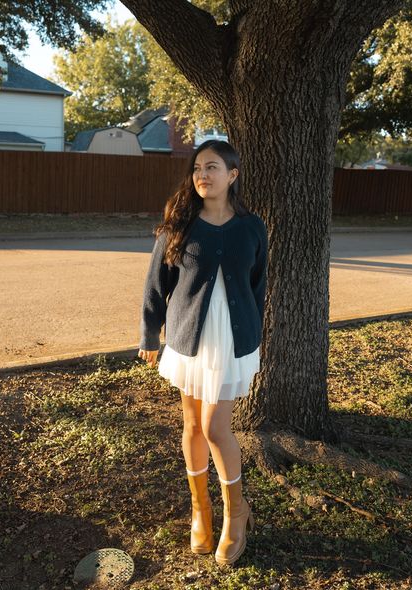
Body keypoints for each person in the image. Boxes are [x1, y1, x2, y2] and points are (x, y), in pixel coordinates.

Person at [138, 139, 268, 565]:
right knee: (192, 425)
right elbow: (156, 284)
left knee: (216, 428)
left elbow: (257, 286)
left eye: (212, 167)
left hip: (230, 340)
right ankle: (201, 509)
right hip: (187, 336)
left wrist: (252, 333)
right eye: (197, 168)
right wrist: (149, 335)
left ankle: (236, 511)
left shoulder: (253, 228)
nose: (202, 175)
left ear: (232, 175)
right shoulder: (179, 224)